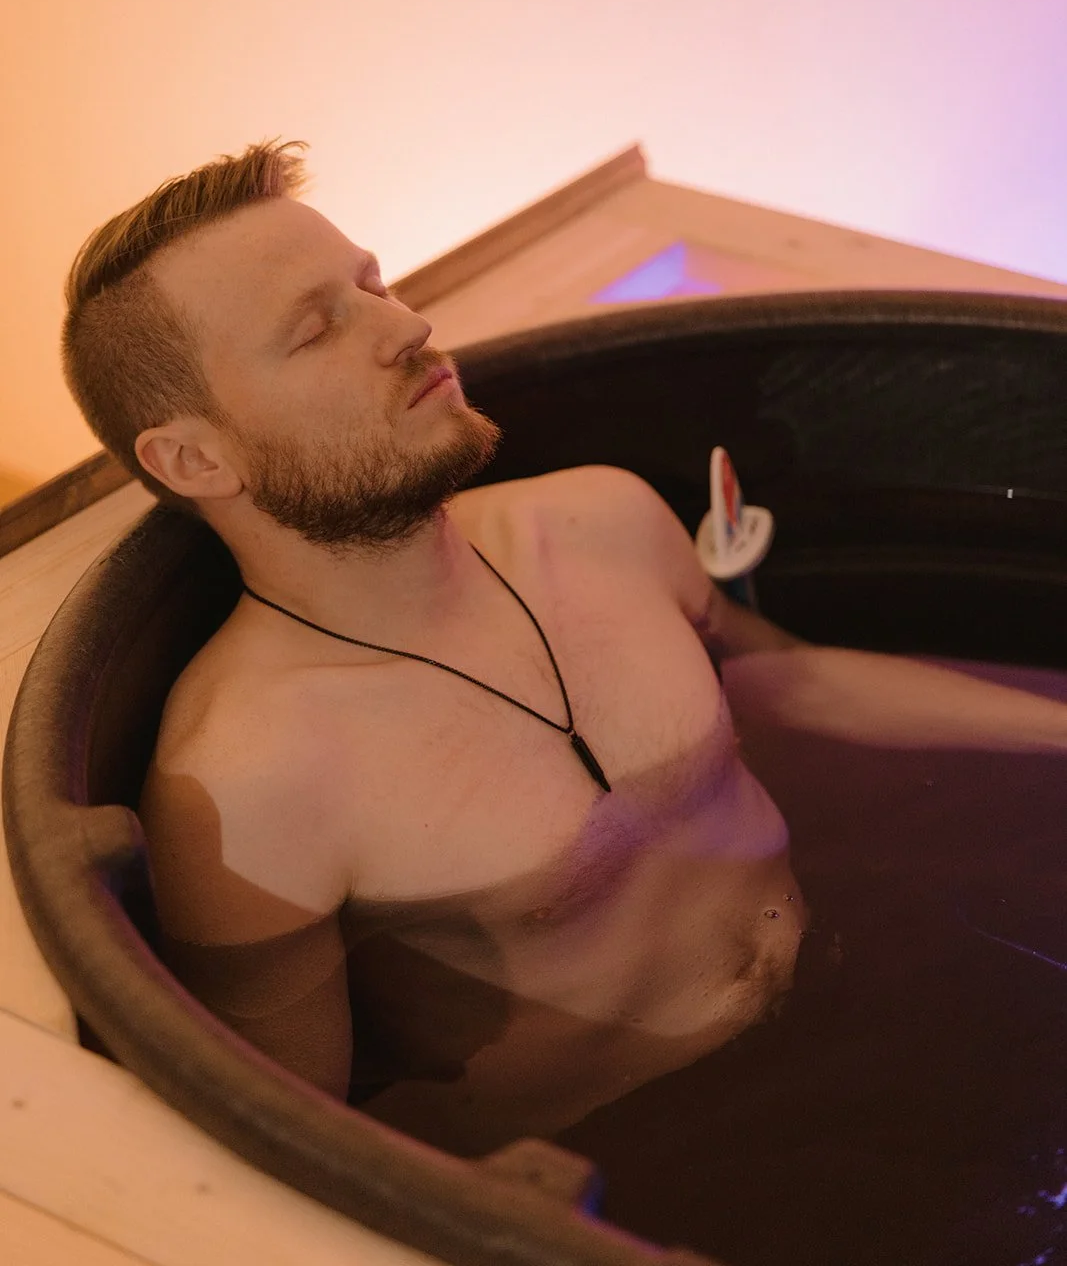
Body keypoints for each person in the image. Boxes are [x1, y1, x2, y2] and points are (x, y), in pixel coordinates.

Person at [61, 139, 1067, 1158]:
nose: (406, 325)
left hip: (846, 981)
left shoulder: (599, 519)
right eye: (320, 327)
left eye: (373, 283)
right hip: (631, 1150)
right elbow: (284, 1130)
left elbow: (784, 677)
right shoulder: (250, 780)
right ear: (194, 456)